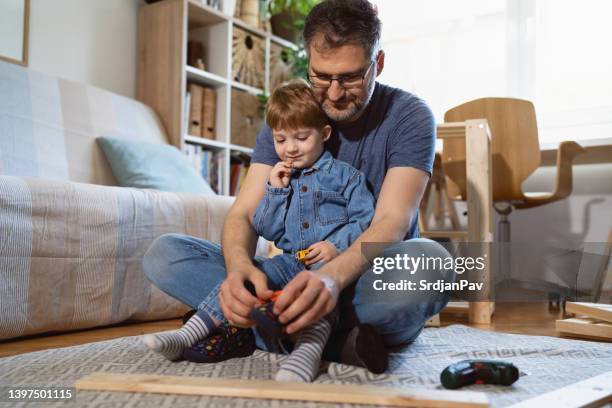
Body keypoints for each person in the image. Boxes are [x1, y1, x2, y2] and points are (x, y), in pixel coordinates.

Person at [142, 0, 453, 375]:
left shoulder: (410, 116)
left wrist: (331, 280)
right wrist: (239, 272)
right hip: (290, 276)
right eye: (321, 77)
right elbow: (244, 214)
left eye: (350, 77)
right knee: (164, 255)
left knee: (430, 265)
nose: (334, 94)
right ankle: (335, 341)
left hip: (364, 280)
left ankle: (262, 329)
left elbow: (390, 222)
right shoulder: (290, 118)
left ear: (378, 64)